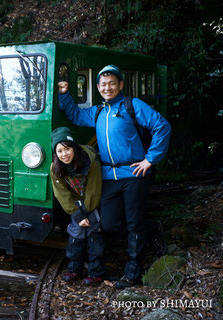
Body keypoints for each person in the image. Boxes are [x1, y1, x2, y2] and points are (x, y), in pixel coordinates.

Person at [57, 65, 171, 289]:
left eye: (112, 83)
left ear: (120, 85)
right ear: (98, 88)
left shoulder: (132, 105)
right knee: (109, 224)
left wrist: (150, 159)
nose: (107, 87)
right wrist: (64, 94)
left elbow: (162, 126)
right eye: (103, 84)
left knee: (132, 223)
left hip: (134, 173)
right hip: (109, 175)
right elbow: (76, 116)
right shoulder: (98, 112)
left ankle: (132, 273)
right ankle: (151, 229)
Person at [50, 127, 105, 286]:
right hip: (76, 204)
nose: (64, 154)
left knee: (94, 235)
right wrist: (77, 215)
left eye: (67, 149)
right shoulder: (56, 167)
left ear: (74, 147)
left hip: (93, 200)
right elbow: (61, 194)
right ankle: (74, 269)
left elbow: (94, 189)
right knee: (76, 236)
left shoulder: (90, 160)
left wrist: (87, 215)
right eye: (59, 151)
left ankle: (96, 273)